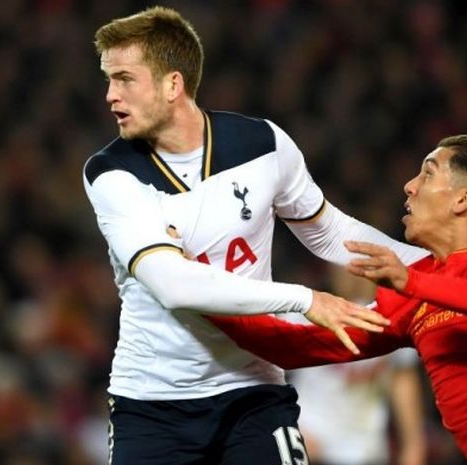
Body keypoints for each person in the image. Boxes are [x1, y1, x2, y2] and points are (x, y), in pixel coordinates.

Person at [83, 6, 426, 465]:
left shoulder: (263, 144)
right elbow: (175, 285)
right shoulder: (112, 174)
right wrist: (305, 300)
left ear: (172, 84)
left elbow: (329, 232)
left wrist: (439, 270)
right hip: (152, 404)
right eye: (109, 79)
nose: (110, 95)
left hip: (252, 390)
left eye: (124, 78)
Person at [208, 135, 467, 465]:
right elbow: (297, 346)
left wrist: (413, 281)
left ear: (463, 200)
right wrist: (203, 295)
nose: (410, 185)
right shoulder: (412, 296)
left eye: (428, 173)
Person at [286, 266, 426, 465]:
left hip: (365, 448)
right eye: (341, 266)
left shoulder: (394, 323)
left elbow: (402, 381)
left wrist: (414, 447)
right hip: (310, 439)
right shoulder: (305, 314)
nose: (350, 275)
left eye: (360, 267)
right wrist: (289, 431)